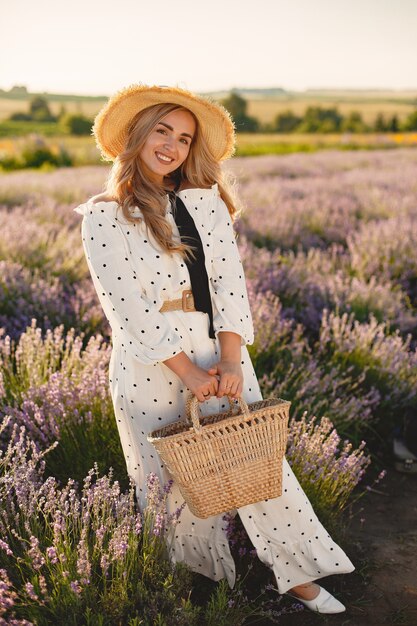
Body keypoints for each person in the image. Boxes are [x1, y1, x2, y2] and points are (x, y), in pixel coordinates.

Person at [74, 83, 355, 614]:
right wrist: (189, 375)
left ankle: (296, 574)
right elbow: (124, 307)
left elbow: (230, 284)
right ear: (135, 135)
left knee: (258, 462)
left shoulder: (206, 204)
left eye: (183, 138)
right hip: (149, 362)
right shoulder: (102, 215)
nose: (172, 146)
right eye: (162, 130)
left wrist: (227, 359)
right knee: (168, 478)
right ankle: (198, 582)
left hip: (218, 349)